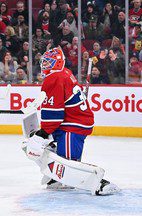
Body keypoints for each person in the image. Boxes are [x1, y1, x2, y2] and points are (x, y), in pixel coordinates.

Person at [23, 47, 119, 194]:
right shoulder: (64, 72)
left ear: (57, 62)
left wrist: (43, 133)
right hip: (74, 120)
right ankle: (57, 177)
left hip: (73, 124)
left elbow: (54, 114)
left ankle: (99, 183)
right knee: (57, 151)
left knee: (68, 162)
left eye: (49, 62)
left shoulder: (54, 77)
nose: (45, 66)